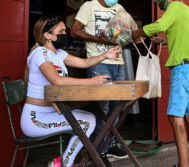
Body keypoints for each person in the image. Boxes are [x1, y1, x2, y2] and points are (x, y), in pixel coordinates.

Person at [21, 16, 120, 167]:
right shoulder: (40, 54)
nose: (64, 34)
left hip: (52, 113)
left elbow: (84, 62)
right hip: (35, 119)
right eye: (61, 31)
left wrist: (105, 55)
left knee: (89, 118)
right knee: (86, 123)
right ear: (47, 35)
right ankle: (65, 163)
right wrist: (91, 82)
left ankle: (64, 162)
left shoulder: (58, 54)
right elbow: (57, 80)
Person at [132, 0, 189, 167]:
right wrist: (164, 41)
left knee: (175, 116)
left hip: (183, 70)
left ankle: (183, 164)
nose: (158, 3)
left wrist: (136, 33)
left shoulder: (174, 7)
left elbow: (159, 25)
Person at [70, 0, 138, 165]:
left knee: (117, 106)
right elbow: (75, 31)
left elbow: (129, 32)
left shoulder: (119, 9)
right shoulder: (89, 6)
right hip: (98, 62)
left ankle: (110, 144)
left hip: (118, 62)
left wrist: (137, 36)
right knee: (102, 107)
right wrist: (100, 40)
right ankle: (98, 150)